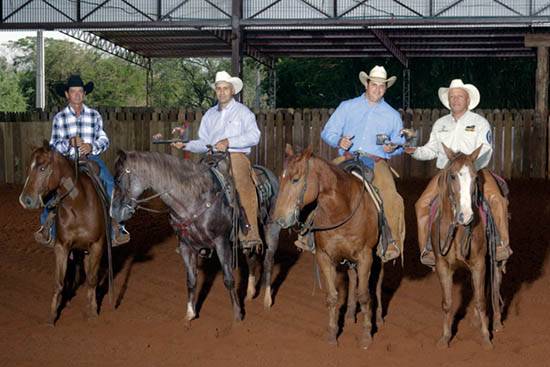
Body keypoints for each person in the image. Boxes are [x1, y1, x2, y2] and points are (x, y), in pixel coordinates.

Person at [405, 79, 512, 266]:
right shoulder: (440, 124)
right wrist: (415, 151)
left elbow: (486, 148)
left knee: (497, 199)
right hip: (447, 173)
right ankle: (427, 249)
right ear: (448, 100)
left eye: (460, 96)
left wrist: (469, 166)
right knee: (421, 203)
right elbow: (431, 149)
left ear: (468, 100)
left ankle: (502, 244)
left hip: (475, 171)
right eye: (452, 97)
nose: (455, 100)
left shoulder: (479, 123)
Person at [159, 70, 262, 251]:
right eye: (218, 89)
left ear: (232, 91)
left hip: (235, 155)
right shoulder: (210, 115)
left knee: (241, 182)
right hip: (211, 157)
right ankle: (195, 232)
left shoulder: (243, 113)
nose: (222, 92)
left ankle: (250, 233)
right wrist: (186, 145)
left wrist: (229, 142)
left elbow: (255, 136)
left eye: (225, 88)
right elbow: (204, 143)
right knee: (192, 182)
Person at [320, 65, 406, 262]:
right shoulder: (347, 106)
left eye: (381, 86)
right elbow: (327, 132)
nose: (377, 89)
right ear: (366, 84)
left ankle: (391, 241)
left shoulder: (392, 115)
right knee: (321, 184)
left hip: (376, 161)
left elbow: (400, 144)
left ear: (386, 88)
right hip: (347, 158)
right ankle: (309, 234)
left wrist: (393, 148)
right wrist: (338, 141)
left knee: (392, 196)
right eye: (374, 85)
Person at [34, 75, 130, 247]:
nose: (77, 95)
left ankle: (116, 226)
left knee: (109, 184)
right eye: (73, 91)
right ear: (67, 94)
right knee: (50, 187)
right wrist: (69, 143)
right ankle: (47, 225)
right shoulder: (60, 118)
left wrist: (91, 146)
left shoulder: (94, 115)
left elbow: (104, 139)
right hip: (66, 161)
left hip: (90, 159)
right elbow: (53, 145)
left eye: (80, 91)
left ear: (84, 94)